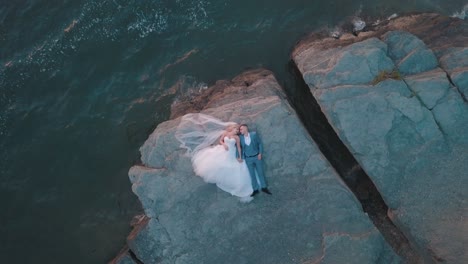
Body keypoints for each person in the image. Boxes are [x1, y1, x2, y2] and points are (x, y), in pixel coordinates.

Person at [175, 113, 253, 202]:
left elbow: (239, 147)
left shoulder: (236, 138)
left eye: (238, 130)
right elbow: (220, 141)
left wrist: (239, 157)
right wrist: (224, 145)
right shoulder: (226, 133)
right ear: (232, 128)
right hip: (224, 150)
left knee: (234, 167)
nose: (237, 131)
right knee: (214, 162)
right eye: (236, 129)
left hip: (232, 152)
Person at [239, 124, 272, 196]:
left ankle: (264, 187)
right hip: (248, 159)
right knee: (252, 175)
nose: (240, 131)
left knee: (260, 173)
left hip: (257, 157)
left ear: (245, 129)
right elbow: (239, 147)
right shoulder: (240, 138)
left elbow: (260, 143)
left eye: (241, 129)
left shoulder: (253, 135)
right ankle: (255, 189)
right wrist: (238, 157)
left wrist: (260, 153)